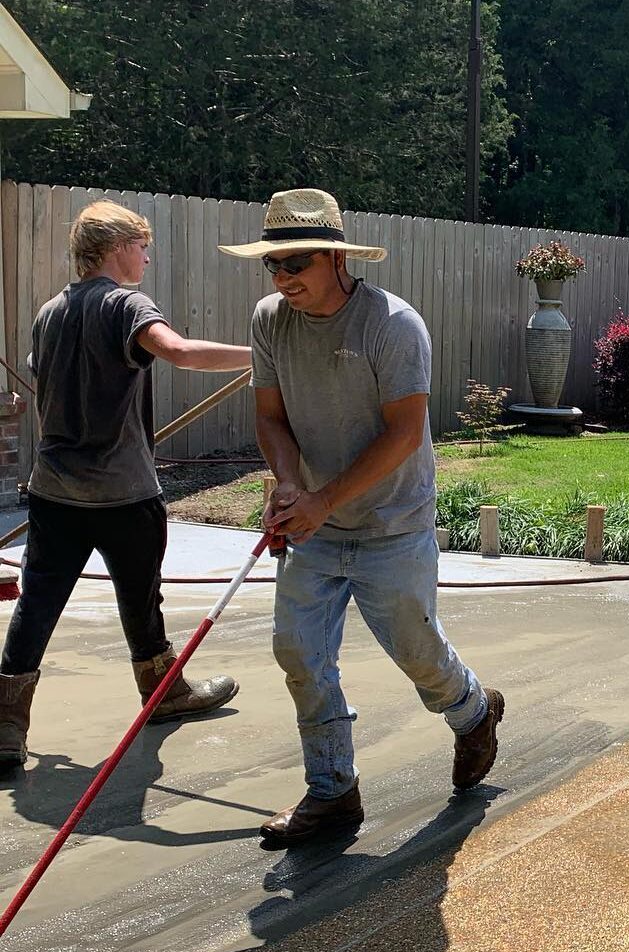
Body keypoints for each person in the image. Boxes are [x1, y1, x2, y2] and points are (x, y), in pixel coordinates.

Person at [219, 189, 502, 846]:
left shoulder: (393, 325)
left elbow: (403, 434)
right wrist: (291, 487)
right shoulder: (270, 321)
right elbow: (270, 417)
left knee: (417, 653)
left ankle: (472, 711)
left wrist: (323, 499)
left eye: (297, 263)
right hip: (314, 530)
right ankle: (332, 792)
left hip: (392, 524)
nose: (283, 278)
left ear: (337, 259)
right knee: (299, 651)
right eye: (273, 264)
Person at [0, 200, 251, 772]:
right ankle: (164, 695)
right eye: (142, 247)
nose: (147, 258)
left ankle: (7, 724)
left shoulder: (51, 310)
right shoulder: (126, 304)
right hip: (123, 493)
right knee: (140, 597)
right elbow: (179, 351)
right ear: (116, 249)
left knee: (38, 601)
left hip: (54, 491)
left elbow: (45, 374)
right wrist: (266, 354)